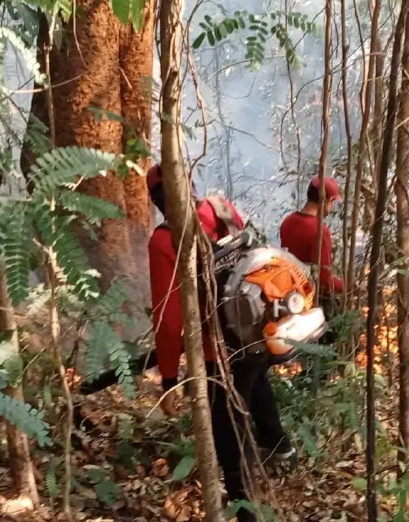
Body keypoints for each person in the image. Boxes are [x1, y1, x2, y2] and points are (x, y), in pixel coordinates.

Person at [145, 165, 293, 521]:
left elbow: (168, 321)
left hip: (218, 348)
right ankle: (281, 447)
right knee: (256, 383)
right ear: (189, 185)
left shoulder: (164, 240)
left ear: (155, 200)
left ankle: (244, 507)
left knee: (227, 427)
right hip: (261, 324)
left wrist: (169, 379)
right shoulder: (220, 207)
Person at [279, 176, 344, 375]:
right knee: (325, 353)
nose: (332, 207)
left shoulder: (288, 222)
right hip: (312, 300)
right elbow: (325, 280)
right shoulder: (320, 231)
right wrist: (349, 286)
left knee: (303, 354)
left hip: (291, 298)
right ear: (326, 201)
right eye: (333, 202)